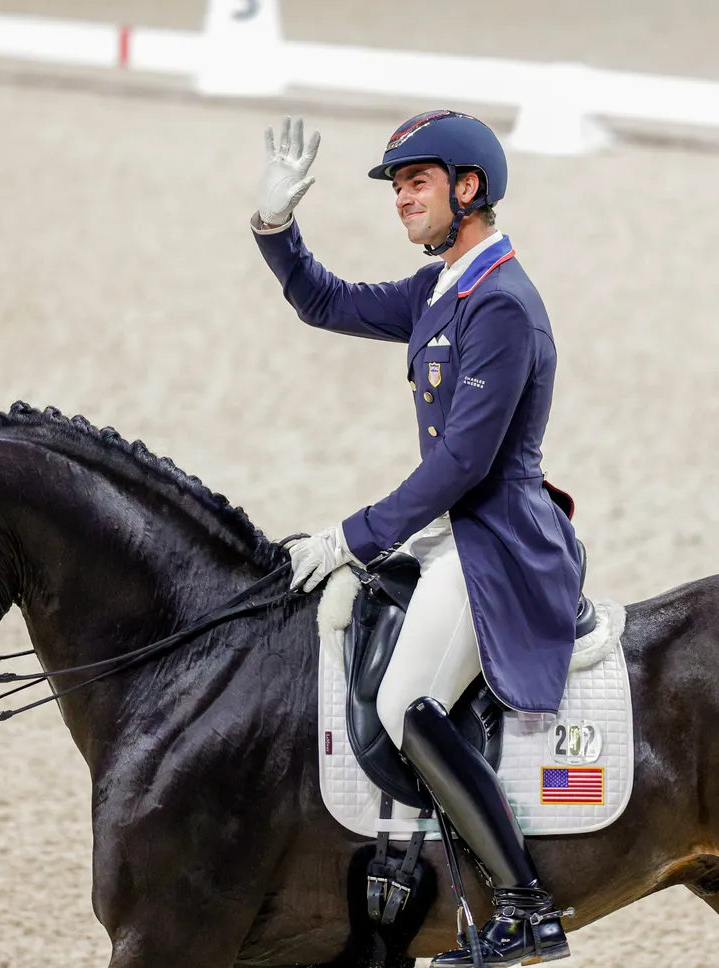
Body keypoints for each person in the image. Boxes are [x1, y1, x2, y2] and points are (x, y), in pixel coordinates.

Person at [253, 112, 581, 967]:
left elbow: (465, 462)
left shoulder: (501, 304)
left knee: (405, 704)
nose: (400, 198)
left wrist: (354, 535)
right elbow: (324, 301)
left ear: (468, 189)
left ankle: (524, 905)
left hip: (496, 542)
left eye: (416, 182)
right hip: (453, 530)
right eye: (396, 185)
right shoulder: (443, 287)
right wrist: (276, 227)